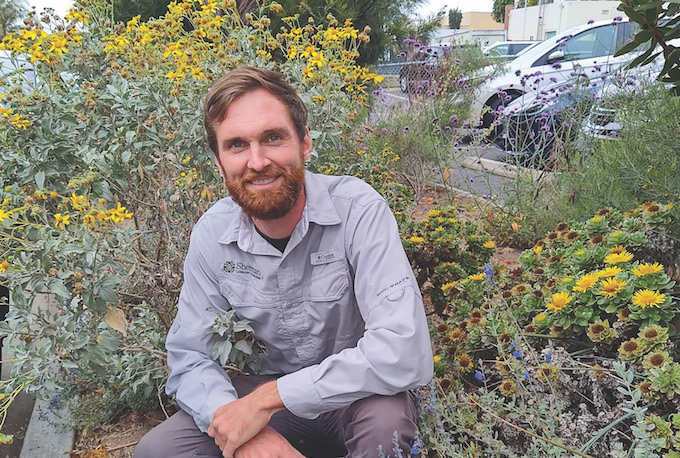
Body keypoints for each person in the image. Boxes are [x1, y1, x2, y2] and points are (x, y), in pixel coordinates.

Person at [133, 66, 433, 458]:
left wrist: (266, 400)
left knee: (385, 428)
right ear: (219, 162)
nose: (257, 162)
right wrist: (245, 430)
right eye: (236, 145)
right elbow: (190, 356)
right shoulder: (212, 235)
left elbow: (404, 349)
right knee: (159, 450)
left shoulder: (358, 211)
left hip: (355, 398)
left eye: (273, 138)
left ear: (304, 143)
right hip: (270, 404)